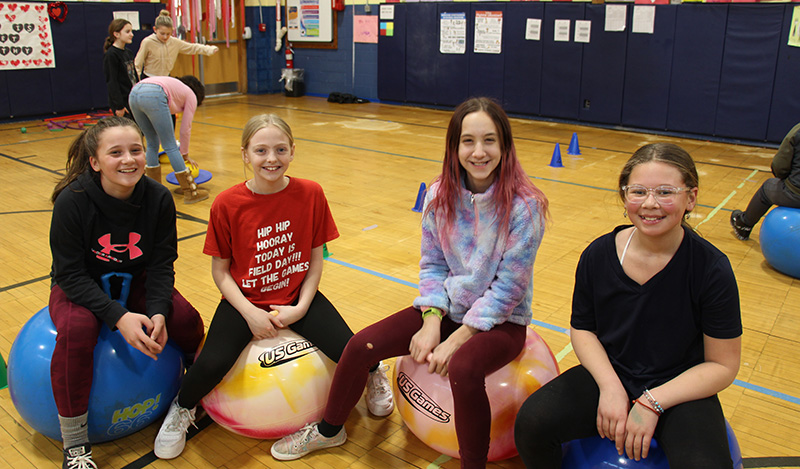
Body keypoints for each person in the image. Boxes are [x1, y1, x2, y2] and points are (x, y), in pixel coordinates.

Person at [270, 97, 549, 468]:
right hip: (448, 307)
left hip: (500, 322)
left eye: (490, 140)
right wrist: (432, 319)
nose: (478, 152)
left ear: (505, 146)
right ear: (454, 146)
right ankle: (329, 430)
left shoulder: (525, 207)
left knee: (464, 369)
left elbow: (509, 289)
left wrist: (459, 337)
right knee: (358, 346)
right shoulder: (439, 195)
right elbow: (432, 265)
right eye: (468, 141)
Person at [152, 113, 393, 460]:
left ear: (293, 151)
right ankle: (182, 408)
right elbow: (220, 273)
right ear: (245, 154)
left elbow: (315, 258)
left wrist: (302, 307)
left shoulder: (311, 193)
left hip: (296, 295)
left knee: (354, 350)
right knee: (210, 365)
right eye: (261, 150)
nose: (271, 159)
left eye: (280, 149)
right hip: (245, 300)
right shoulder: (227, 204)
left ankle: (375, 374)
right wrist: (250, 313)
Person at [514, 143, 741, 468]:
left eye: (666, 192)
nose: (650, 204)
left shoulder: (711, 269)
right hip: (613, 371)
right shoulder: (598, 255)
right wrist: (610, 387)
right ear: (624, 196)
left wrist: (652, 403)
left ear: (690, 198)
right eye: (638, 191)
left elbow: (722, 365)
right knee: (532, 424)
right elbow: (583, 329)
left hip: (680, 388)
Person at [49, 116, 205, 469]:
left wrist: (160, 311)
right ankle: (75, 445)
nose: (128, 160)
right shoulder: (72, 202)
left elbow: (163, 264)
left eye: (136, 150)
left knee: (185, 319)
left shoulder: (159, 198)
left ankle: (197, 382)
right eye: (115, 152)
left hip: (138, 277)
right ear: (95, 161)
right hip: (81, 283)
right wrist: (118, 318)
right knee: (77, 331)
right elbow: (69, 275)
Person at [128, 75, 208, 203]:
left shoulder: (175, 87)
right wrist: (184, 153)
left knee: (151, 143)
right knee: (170, 145)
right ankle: (190, 192)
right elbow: (185, 128)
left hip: (133, 93)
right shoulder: (190, 94)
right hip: (153, 94)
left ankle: (153, 192)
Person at [730, 122, 800, 240]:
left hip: (795, 194)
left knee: (768, 187)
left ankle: (744, 224)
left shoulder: (797, 131)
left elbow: (779, 166)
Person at [134, 10, 218, 79]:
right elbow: (138, 62)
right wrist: (136, 80)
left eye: (168, 33)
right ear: (155, 29)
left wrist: (209, 49)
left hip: (166, 77)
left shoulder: (174, 42)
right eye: (162, 33)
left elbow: (192, 47)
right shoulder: (148, 42)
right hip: (149, 77)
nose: (165, 36)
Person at [103, 18, 139, 119]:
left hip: (133, 99)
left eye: (131, 31)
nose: (131, 34)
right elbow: (112, 82)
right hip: (123, 102)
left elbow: (134, 76)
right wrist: (119, 106)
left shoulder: (128, 52)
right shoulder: (111, 55)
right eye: (127, 32)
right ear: (116, 34)